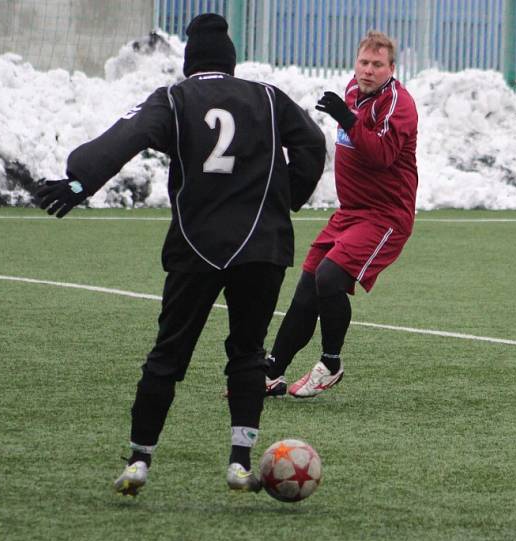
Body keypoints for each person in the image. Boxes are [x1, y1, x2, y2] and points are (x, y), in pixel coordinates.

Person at [35, 13, 326, 495]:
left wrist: (80, 178)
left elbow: (124, 137)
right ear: (231, 62)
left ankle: (139, 460)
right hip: (262, 245)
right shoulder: (270, 98)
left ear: (191, 63)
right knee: (248, 353)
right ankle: (238, 462)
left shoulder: (175, 97)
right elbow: (312, 144)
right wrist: (286, 200)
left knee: (168, 353)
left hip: (196, 246)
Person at [264, 30, 418, 399]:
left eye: (377, 65)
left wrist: (347, 119)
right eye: (363, 62)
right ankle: (271, 371)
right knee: (308, 287)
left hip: (386, 216)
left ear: (391, 68)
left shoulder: (399, 104)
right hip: (350, 213)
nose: (368, 70)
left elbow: (380, 155)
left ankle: (331, 363)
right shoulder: (351, 91)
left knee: (330, 277)